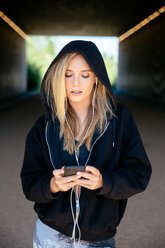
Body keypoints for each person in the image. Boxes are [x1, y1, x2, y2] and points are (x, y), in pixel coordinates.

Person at [20, 40, 152, 248]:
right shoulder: (43, 127)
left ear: (96, 79)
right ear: (58, 77)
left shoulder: (120, 119)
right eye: (68, 74)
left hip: (99, 238)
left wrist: (103, 182)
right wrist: (52, 185)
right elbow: (29, 184)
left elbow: (139, 173)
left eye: (85, 74)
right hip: (50, 235)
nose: (75, 83)